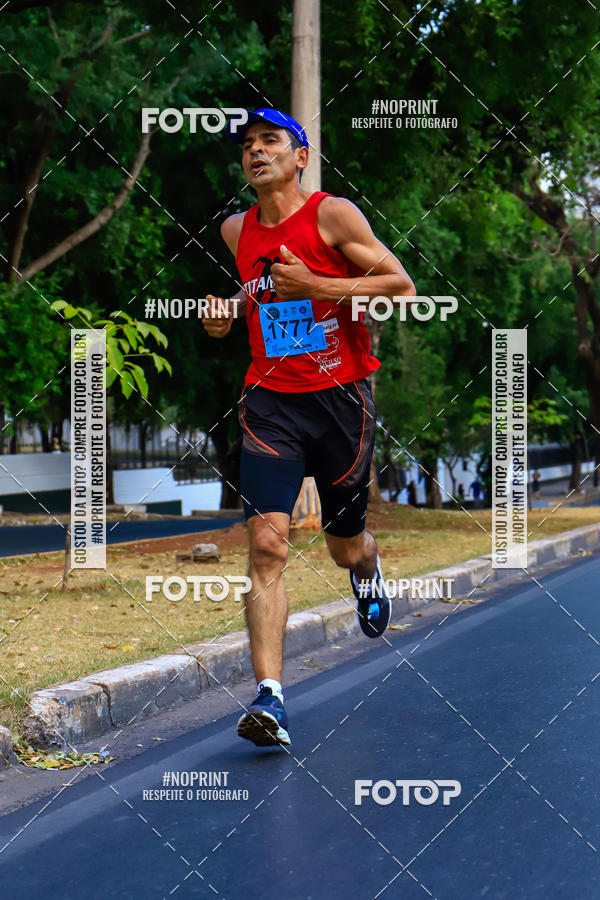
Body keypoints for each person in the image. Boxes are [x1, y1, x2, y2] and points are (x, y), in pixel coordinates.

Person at [201, 108, 415, 747]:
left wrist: (318, 281)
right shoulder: (235, 229)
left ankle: (366, 562)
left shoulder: (333, 214)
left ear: (300, 157)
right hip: (270, 401)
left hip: (341, 400)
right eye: (247, 145)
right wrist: (225, 315)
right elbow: (258, 294)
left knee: (342, 541)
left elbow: (399, 285)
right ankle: (271, 700)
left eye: (270, 140)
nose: (255, 151)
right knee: (267, 543)